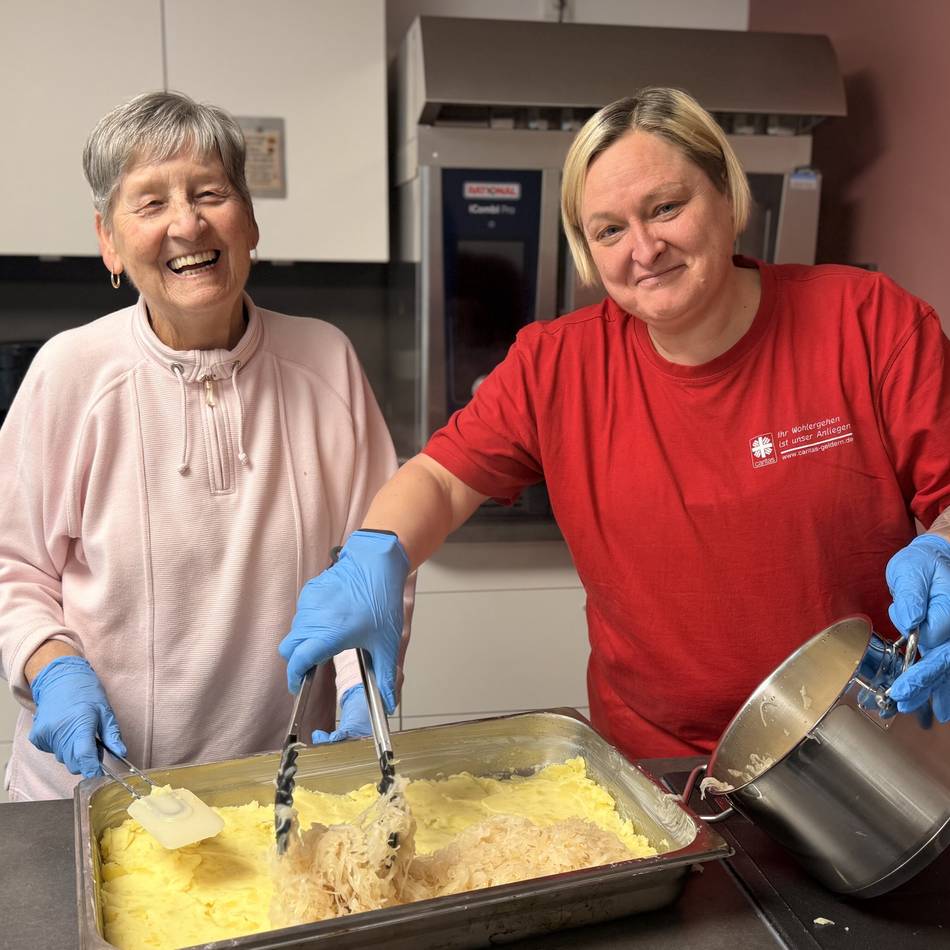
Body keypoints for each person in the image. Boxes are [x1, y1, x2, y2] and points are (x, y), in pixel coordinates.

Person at [279, 87, 950, 761]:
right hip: (662, 770)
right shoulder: (557, 364)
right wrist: (376, 555)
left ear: (728, 196)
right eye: (609, 230)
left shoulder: (868, 322)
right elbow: (441, 479)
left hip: (865, 749)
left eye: (666, 207)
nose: (645, 248)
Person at [0, 91, 410, 801]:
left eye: (210, 193)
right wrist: (53, 666)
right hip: (94, 792)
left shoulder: (325, 360)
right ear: (109, 241)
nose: (187, 224)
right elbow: (12, 568)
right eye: (150, 203)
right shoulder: (70, 373)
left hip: (281, 791)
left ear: (249, 221)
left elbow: (372, 560)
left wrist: (361, 692)